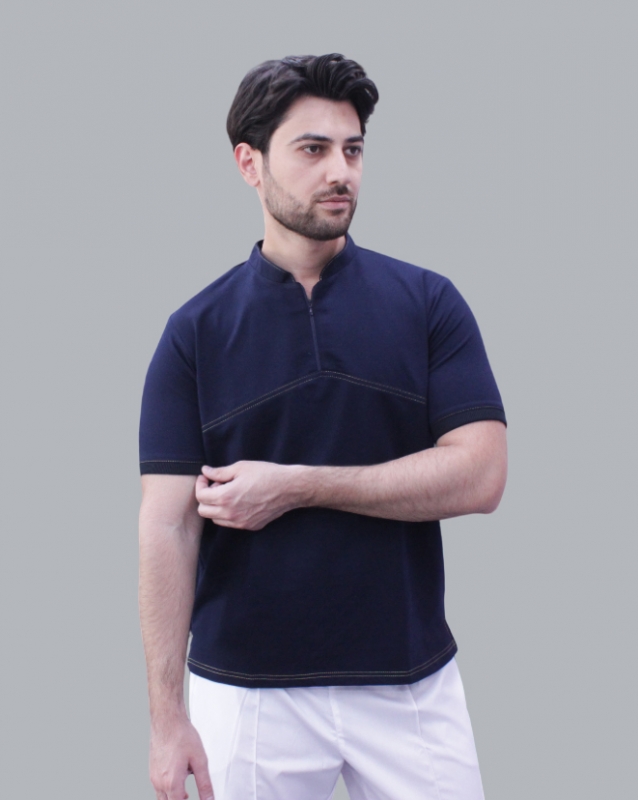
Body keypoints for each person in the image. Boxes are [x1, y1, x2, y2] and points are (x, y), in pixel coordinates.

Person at [139, 53, 507, 800]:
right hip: (246, 693)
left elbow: (482, 475)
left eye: (353, 150)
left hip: (411, 682)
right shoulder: (193, 333)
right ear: (249, 163)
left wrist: (299, 486)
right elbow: (167, 526)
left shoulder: (428, 303)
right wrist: (166, 718)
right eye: (313, 149)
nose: (341, 171)